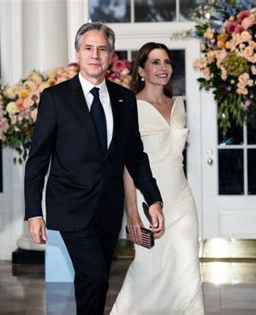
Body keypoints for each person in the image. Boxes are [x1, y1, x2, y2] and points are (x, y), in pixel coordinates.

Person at [24, 23, 165, 315]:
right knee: (95, 276)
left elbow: (135, 156)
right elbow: (37, 160)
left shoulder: (124, 100)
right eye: (88, 48)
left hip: (108, 208)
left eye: (102, 49)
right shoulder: (56, 98)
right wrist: (33, 212)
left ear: (110, 56)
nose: (95, 55)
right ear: (78, 53)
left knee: (94, 281)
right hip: (70, 206)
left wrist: (153, 199)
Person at [111, 42, 205, 314]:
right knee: (148, 267)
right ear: (141, 69)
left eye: (166, 62)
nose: (163, 68)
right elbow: (128, 165)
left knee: (187, 266)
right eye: (155, 62)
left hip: (181, 198)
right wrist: (132, 211)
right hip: (146, 198)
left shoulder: (179, 104)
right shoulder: (129, 107)